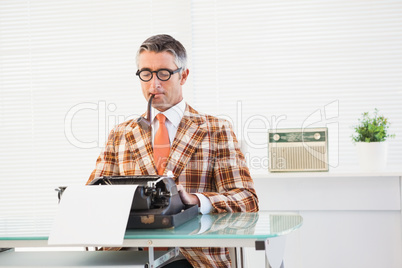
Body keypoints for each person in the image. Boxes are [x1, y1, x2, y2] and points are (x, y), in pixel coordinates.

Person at [87, 34, 259, 268]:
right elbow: (91, 199)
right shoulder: (120, 134)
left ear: (184, 75)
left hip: (192, 257)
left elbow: (247, 199)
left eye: (164, 74)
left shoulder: (216, 129)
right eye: (146, 73)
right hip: (130, 256)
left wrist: (196, 201)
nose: (153, 84)